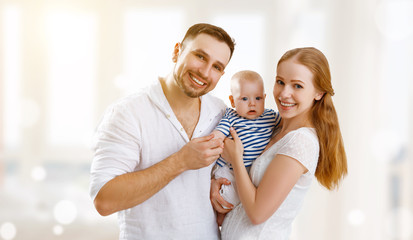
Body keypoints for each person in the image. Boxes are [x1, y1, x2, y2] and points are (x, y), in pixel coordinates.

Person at [89, 23, 235, 240]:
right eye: (200, 56)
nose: (204, 72)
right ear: (177, 51)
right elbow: (104, 200)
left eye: (216, 66)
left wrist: (217, 182)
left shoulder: (220, 111)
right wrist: (181, 161)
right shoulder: (128, 113)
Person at [211, 47, 348, 239]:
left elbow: (258, 214)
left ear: (318, 93)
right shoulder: (272, 128)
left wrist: (236, 158)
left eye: (297, 86)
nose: (284, 94)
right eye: (280, 82)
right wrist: (218, 184)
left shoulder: (301, 141)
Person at [211, 70, 281, 208]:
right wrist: (214, 140)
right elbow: (218, 134)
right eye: (244, 99)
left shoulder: (271, 116)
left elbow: (288, 124)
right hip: (230, 169)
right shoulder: (231, 116)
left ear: (264, 98)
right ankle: (220, 213)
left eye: (258, 98)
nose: (252, 104)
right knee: (229, 196)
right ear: (232, 100)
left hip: (254, 170)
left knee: (253, 196)